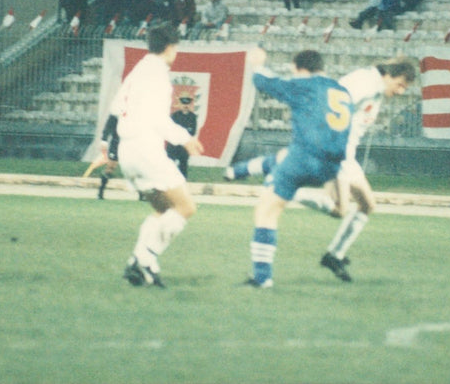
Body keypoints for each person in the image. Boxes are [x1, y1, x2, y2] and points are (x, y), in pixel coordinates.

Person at [228, 59, 416, 283]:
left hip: (346, 154)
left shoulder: (374, 86)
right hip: (336, 152)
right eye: (401, 84)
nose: (401, 91)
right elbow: (330, 104)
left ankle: (333, 255)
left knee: (366, 205)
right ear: (389, 75)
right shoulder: (365, 82)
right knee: (340, 210)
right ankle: (282, 189)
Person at [246, 48, 354, 288]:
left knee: (267, 209)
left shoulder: (305, 85)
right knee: (338, 209)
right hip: (333, 165)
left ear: (298, 67)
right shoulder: (343, 92)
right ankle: (299, 195)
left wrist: (257, 64)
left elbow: (267, 83)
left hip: (305, 157)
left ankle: (262, 278)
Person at [113, 24, 204, 288]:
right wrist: (185, 139)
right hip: (145, 148)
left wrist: (107, 145)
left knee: (164, 210)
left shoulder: (138, 70)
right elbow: (157, 119)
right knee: (186, 207)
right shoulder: (158, 75)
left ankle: (140, 264)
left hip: (127, 149)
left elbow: (116, 107)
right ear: (171, 47)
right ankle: (144, 259)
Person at [167, 93, 198, 178]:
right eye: (183, 103)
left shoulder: (193, 117)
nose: (185, 106)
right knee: (169, 164)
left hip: (184, 145)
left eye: (187, 103)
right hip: (173, 144)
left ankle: (183, 181)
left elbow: (193, 131)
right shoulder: (174, 116)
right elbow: (171, 130)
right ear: (179, 104)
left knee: (183, 165)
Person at [97, 112, 120, 200]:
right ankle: (101, 190)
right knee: (111, 167)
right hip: (116, 143)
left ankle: (141, 193)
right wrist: (104, 139)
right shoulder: (116, 112)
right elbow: (108, 127)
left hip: (130, 143)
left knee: (135, 168)